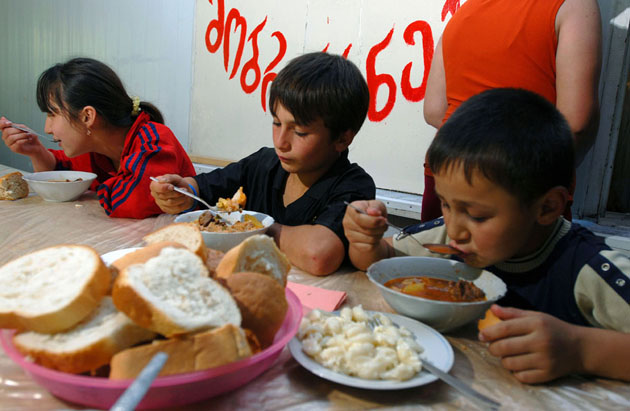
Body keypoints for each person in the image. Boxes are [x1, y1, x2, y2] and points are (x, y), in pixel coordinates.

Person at [343, 88, 630, 384]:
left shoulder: (590, 269)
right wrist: (364, 238)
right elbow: (380, 261)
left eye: (478, 216)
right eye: (445, 203)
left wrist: (580, 349)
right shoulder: (447, 234)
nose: (454, 229)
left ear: (547, 207)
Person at [150, 52, 376, 276]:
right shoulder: (263, 164)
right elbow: (203, 188)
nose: (280, 142)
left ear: (342, 139)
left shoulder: (353, 185)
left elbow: (318, 254)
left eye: (299, 132)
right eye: (277, 123)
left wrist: (250, 227)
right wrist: (181, 192)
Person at [421, 0, 602, 222]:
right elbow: (577, 123)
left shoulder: (466, 11)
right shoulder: (574, 6)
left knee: (438, 255)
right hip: (518, 187)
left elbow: (434, 110)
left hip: (446, 177)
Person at [1, 57, 195, 219]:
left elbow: (130, 199)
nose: (47, 128)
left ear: (87, 116)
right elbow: (61, 176)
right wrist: (36, 151)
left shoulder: (154, 141)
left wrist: (95, 186)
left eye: (52, 114)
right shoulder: (94, 149)